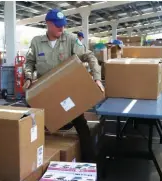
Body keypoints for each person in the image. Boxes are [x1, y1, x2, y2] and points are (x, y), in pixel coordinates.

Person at [24, 8, 104, 163]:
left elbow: (90, 56)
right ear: (48, 24)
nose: (62, 28)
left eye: (63, 25)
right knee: (35, 126)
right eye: (57, 25)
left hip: (68, 94)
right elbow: (29, 62)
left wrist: (97, 79)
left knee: (81, 125)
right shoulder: (36, 42)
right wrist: (28, 77)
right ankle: (36, 162)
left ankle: (90, 164)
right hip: (46, 95)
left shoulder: (71, 40)